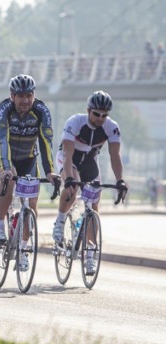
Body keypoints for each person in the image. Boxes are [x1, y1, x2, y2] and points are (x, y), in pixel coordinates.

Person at [52, 90, 128, 275]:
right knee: (73, 185)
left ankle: (90, 256)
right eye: (96, 114)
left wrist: (120, 181)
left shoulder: (112, 127)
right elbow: (68, 154)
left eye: (104, 115)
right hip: (68, 158)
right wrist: (68, 177)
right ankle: (60, 221)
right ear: (88, 110)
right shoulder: (75, 122)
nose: (100, 118)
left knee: (94, 206)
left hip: (90, 161)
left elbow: (115, 156)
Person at [0, 74, 58, 271]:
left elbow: (46, 142)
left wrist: (50, 171)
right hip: (0, 153)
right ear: (12, 96)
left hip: (28, 157)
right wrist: (6, 168)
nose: (26, 100)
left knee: (32, 203)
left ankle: (24, 248)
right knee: (8, 181)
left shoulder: (41, 111)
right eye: (21, 96)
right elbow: (2, 141)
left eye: (29, 95)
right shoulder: (3, 110)